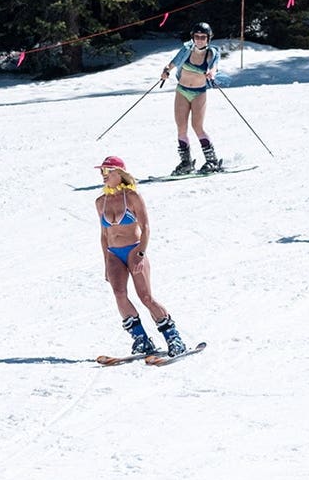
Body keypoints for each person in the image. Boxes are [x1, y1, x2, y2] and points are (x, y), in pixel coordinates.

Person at [95, 156, 187, 356]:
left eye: (107, 171)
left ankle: (173, 337)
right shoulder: (100, 202)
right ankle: (140, 339)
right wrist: (105, 264)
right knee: (119, 294)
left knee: (145, 296)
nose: (103, 175)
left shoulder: (133, 197)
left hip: (134, 249)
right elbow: (104, 236)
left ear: (120, 174)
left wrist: (141, 253)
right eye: (102, 171)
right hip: (113, 253)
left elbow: (145, 228)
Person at [159, 22, 223, 175]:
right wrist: (166, 71)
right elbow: (174, 62)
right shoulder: (187, 49)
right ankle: (186, 163)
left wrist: (211, 73)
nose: (199, 40)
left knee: (197, 126)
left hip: (198, 93)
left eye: (203, 37)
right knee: (181, 128)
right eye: (197, 36)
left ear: (208, 38)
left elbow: (214, 66)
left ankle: (212, 160)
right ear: (193, 37)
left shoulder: (211, 53)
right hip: (182, 91)